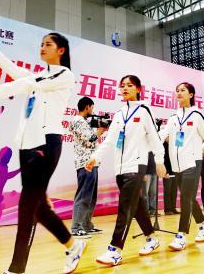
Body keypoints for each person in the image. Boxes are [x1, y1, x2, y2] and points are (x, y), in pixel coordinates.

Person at [0, 32, 84, 274]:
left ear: (61, 50)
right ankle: (73, 246)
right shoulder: (39, 75)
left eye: (48, 44)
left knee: (26, 207)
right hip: (26, 145)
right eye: (41, 44)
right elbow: (15, 72)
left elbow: (27, 83)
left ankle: (16, 268)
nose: (42, 47)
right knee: (38, 207)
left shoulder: (64, 75)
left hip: (46, 144)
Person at [85, 75, 166, 266]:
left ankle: (115, 250)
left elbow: (154, 138)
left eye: (129, 85)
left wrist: (160, 161)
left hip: (136, 166)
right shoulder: (120, 114)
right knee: (136, 206)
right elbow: (110, 140)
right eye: (122, 86)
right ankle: (151, 238)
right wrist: (95, 157)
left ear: (138, 89)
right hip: (120, 169)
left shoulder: (144, 111)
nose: (125, 88)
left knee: (125, 208)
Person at [159, 82, 204, 251]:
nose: (179, 93)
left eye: (183, 90)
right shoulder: (173, 118)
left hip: (193, 162)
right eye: (177, 90)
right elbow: (161, 135)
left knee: (185, 198)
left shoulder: (197, 115)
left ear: (191, 94)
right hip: (177, 165)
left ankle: (181, 235)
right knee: (189, 198)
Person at [68, 96, 106, 238]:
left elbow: (90, 139)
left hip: (91, 162)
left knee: (91, 197)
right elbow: (89, 141)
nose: (92, 110)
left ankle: (86, 225)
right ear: (87, 107)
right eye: (92, 107)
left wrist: (98, 132)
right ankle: (76, 228)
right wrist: (100, 132)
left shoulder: (83, 122)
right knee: (84, 196)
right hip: (85, 163)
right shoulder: (78, 121)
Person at [163, 140, 179, 215]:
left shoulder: (175, 145)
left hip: (175, 171)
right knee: (167, 191)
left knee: (174, 191)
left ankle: (173, 208)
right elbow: (162, 160)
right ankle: (167, 209)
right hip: (167, 173)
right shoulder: (163, 145)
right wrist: (165, 172)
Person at [142, 152, 158, 217]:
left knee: (153, 193)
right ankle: (146, 212)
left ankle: (153, 211)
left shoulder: (154, 149)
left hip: (154, 172)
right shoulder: (143, 149)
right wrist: (143, 173)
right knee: (145, 194)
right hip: (146, 173)